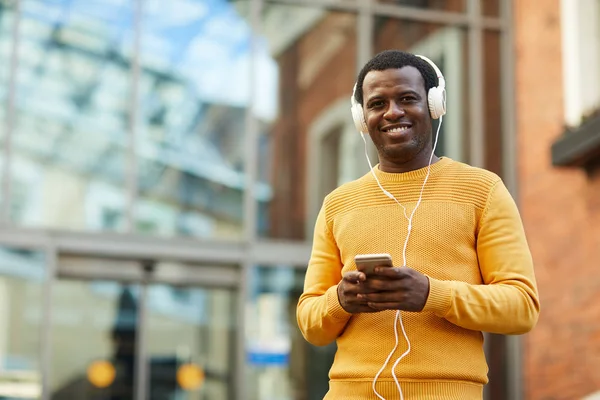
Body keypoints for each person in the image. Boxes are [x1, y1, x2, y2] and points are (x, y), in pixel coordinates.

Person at [296, 49, 540, 400]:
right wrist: (341, 300)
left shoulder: (482, 189)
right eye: (377, 103)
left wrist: (431, 294)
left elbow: (521, 308)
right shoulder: (338, 203)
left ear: (434, 104)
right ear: (361, 118)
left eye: (407, 98)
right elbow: (310, 323)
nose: (392, 112)